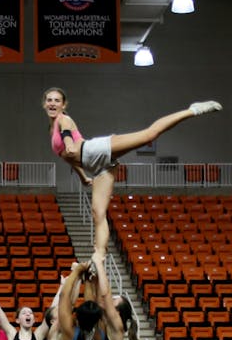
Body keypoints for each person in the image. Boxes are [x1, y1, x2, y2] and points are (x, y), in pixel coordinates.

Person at [43, 88, 221, 257]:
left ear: (63, 105)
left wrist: (68, 144)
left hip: (95, 150)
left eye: (57, 100)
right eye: (49, 100)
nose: (52, 103)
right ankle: (100, 255)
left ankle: (192, 110)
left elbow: (67, 137)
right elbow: (68, 159)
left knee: (149, 135)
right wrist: (83, 177)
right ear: (44, 104)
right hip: (96, 168)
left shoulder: (63, 120)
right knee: (98, 212)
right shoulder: (51, 132)